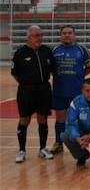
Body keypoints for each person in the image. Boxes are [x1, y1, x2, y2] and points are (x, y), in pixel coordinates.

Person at [11, 25, 54, 163]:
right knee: (24, 120)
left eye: (41, 35)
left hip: (44, 89)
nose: (40, 38)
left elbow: (53, 69)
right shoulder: (20, 53)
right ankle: (22, 150)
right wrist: (27, 83)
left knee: (43, 119)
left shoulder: (46, 51)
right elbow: (15, 74)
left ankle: (42, 148)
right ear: (29, 37)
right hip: (26, 91)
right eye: (36, 35)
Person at [51, 25, 90, 154]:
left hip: (77, 92)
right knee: (60, 119)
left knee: (80, 119)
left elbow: (89, 67)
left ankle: (80, 144)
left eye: (69, 33)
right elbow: (51, 68)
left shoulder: (82, 49)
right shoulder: (54, 50)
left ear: (74, 35)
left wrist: (79, 76)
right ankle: (58, 143)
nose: (67, 35)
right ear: (60, 35)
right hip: (60, 91)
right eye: (64, 33)